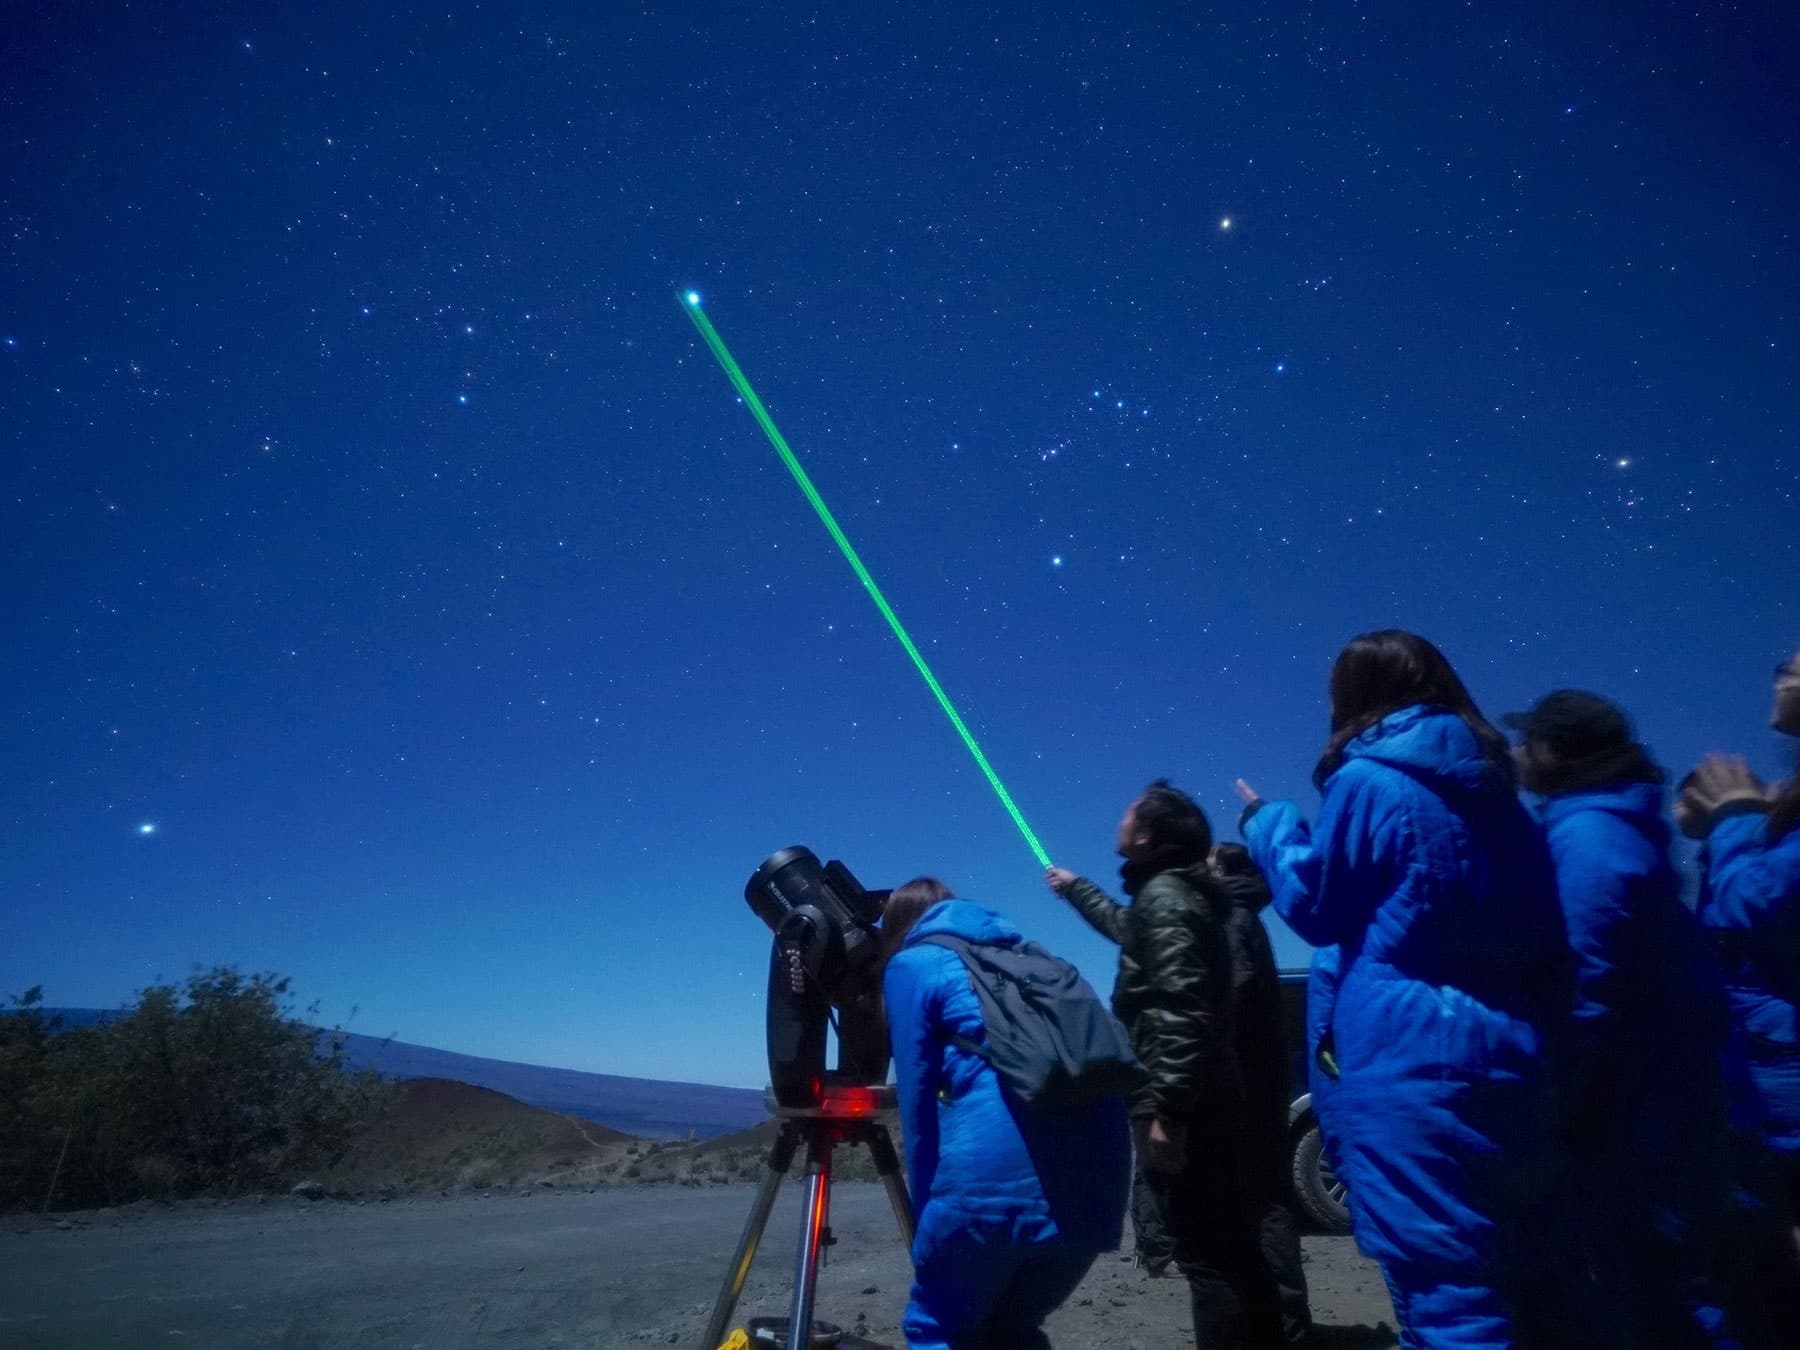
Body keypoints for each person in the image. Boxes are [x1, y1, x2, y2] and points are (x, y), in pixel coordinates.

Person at [1234, 630, 1572, 1350]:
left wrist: (1268, 826)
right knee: (1525, 1287)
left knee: (1448, 1301)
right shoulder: (1506, 805)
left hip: (1414, 1065)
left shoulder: (1372, 781)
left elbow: (1317, 903)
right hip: (1516, 1055)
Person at [1507, 689, 1739, 1349]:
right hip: (1655, 1108)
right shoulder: (1616, 825)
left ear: (1555, 752)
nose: (1518, 752)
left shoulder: (1589, 838)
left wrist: (1554, 1109)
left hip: (1636, 1122)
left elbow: (1584, 988)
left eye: (1529, 739)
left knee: (1664, 1304)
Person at [1046, 780, 1281, 1349]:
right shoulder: (1170, 896)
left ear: (1148, 836)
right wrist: (1077, 889)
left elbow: (1181, 1005)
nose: (1121, 818)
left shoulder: (1168, 897)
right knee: (1231, 1244)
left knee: (1207, 1253)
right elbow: (1130, 931)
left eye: (1130, 813)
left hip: (1188, 1099)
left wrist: (1168, 1111)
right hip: (1205, 1090)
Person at [881, 877, 1132, 1350]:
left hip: (990, 1195)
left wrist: (930, 1223)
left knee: (939, 1328)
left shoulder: (913, 964)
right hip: (1100, 1190)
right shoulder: (1038, 962)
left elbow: (916, 1108)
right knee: (1013, 1330)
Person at [1678, 650, 1800, 1345]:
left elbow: (1765, 908)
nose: (1781, 666)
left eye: (1794, 662)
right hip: (1764, 1093)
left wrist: (1736, 820)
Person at [1211, 842, 1315, 1348]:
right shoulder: (1246, 916)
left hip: (1241, 1098)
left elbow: (1229, 1002)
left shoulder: (1229, 918)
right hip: (1261, 1092)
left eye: (1206, 863)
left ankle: (1280, 1330)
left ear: (1224, 872)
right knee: (1265, 1209)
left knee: (1258, 1213)